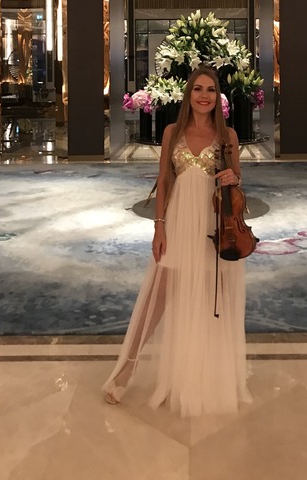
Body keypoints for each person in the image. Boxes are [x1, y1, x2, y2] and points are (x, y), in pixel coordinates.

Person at [102, 65, 251, 416]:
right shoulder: (172, 131)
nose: (204, 96)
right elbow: (165, 181)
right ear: (188, 94)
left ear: (218, 97)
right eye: (198, 89)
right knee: (160, 293)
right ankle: (126, 369)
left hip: (213, 224)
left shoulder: (228, 135)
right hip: (180, 219)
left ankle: (205, 373)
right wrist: (159, 226)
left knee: (212, 294)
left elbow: (237, 179)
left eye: (210, 90)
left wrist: (232, 177)